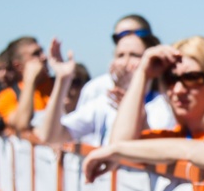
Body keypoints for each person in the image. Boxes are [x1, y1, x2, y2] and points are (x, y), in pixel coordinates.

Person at [81, 36, 204, 181]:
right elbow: (121, 144)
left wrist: (117, 149)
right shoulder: (181, 136)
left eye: (192, 78)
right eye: (170, 79)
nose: (178, 90)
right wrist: (143, 73)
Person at [35, 31, 173, 146]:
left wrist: (136, 114)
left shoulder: (164, 105)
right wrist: (63, 79)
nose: (125, 62)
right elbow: (51, 136)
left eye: (134, 55)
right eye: (120, 55)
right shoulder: (104, 103)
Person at [0, 36, 53, 132]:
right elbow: (22, 124)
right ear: (18, 66)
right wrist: (30, 80)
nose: (44, 57)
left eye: (42, 51)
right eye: (36, 54)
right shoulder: (7, 97)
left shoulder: (62, 85)